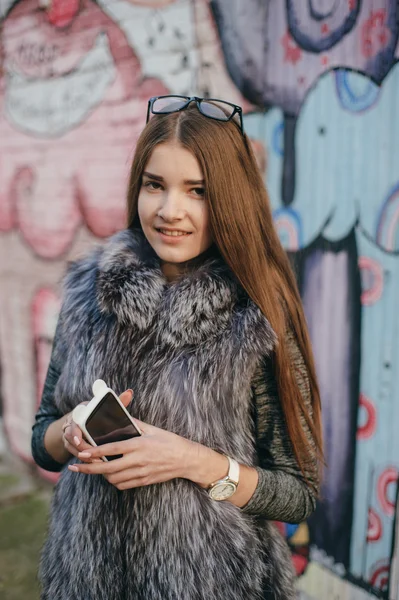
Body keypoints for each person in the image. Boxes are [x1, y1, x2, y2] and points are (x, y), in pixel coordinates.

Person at [32, 95, 323, 600]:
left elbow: (299, 494)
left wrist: (194, 461)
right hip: (84, 580)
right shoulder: (88, 290)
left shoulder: (257, 315)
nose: (171, 210)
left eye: (198, 191)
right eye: (155, 185)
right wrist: (73, 426)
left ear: (230, 199)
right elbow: (43, 441)